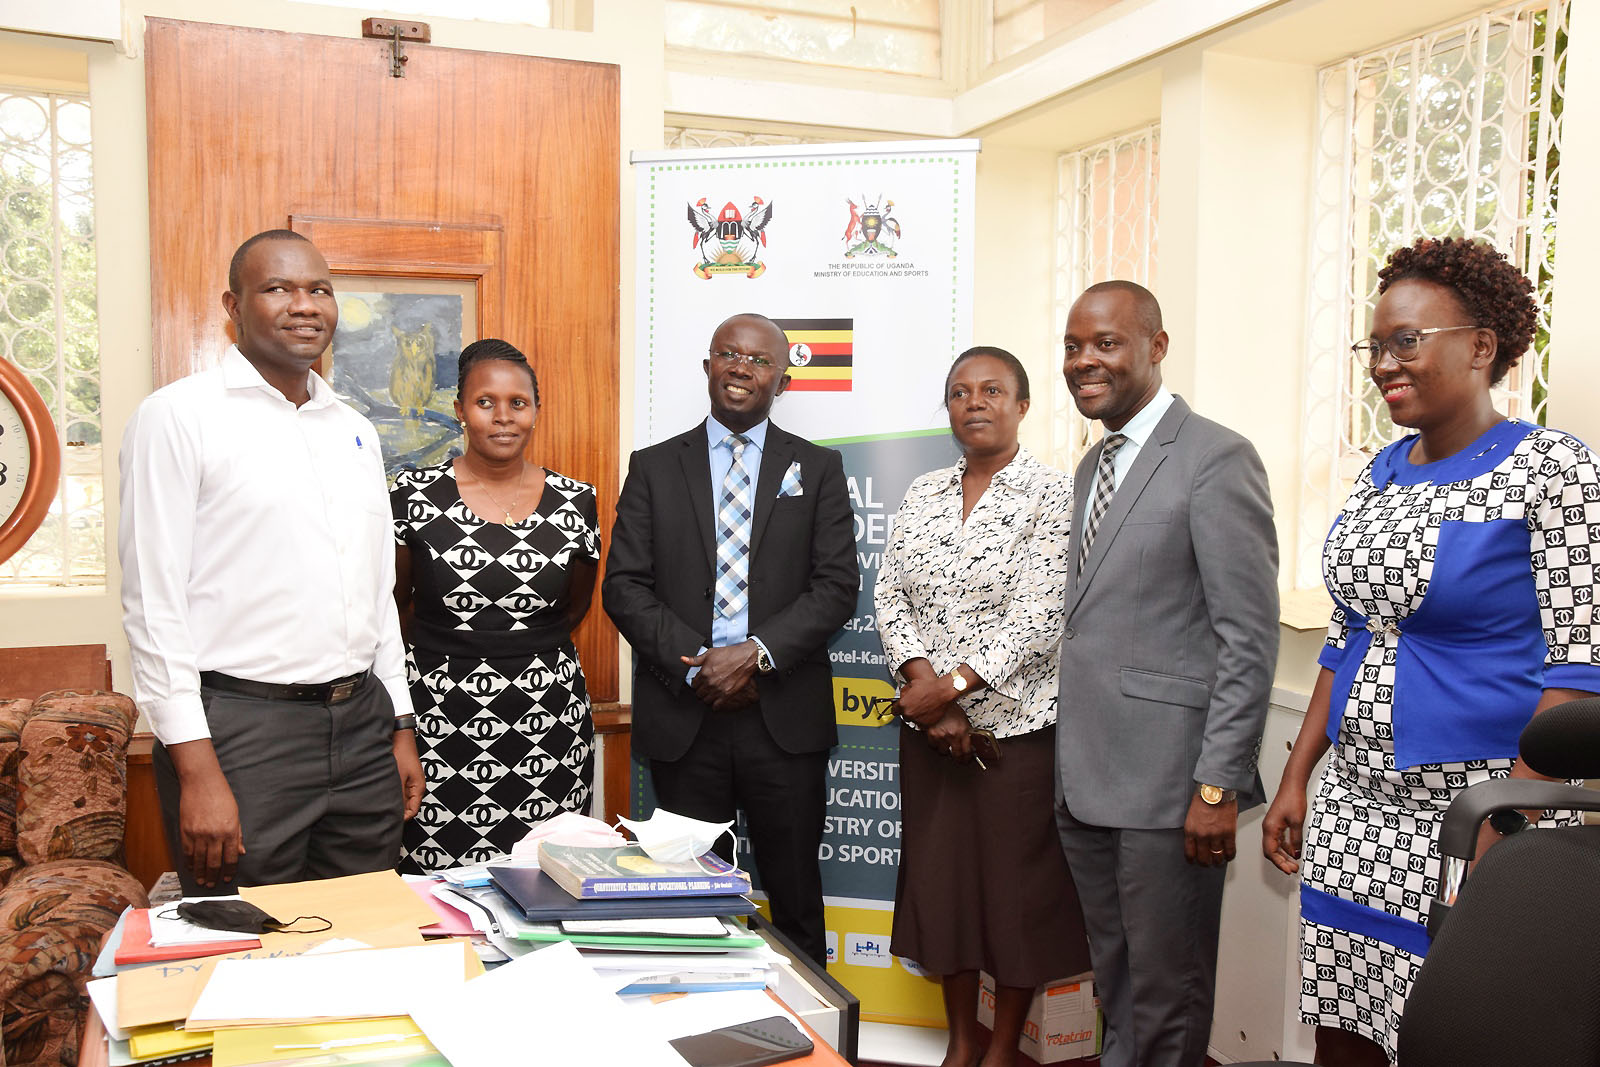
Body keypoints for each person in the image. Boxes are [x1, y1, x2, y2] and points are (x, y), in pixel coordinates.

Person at [1261, 236, 1600, 1067]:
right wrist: (1299, 774)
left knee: (1457, 1032)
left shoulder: (1550, 471)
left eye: (1405, 341)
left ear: (1482, 347)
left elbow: (1579, 667)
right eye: (1375, 345)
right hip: (1354, 810)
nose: (1383, 363)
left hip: (1473, 815)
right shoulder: (1381, 471)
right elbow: (1345, 638)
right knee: (1345, 1025)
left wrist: (1508, 816)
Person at [119, 229, 424, 896]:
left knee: (362, 935)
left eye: (318, 289)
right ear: (233, 304)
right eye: (278, 288)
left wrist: (399, 722)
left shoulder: (354, 429)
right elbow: (153, 605)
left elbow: (375, 595)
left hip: (360, 726)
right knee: (242, 950)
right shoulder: (176, 418)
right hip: (240, 734)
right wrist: (195, 769)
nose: (304, 304)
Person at [1055, 280, 1279, 1067]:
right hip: (1086, 777)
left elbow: (1246, 639)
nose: (1085, 361)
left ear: (1156, 346)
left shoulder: (1217, 456)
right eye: (1074, 346)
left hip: (1170, 786)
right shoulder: (1093, 466)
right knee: (1116, 982)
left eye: (1106, 343)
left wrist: (1216, 786)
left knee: (1168, 994)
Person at [602, 312, 858, 966]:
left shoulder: (819, 468)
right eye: (728, 354)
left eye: (758, 359)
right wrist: (700, 666)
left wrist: (755, 654)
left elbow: (836, 585)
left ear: (783, 378)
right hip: (688, 716)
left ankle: (811, 1049)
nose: (741, 367)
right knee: (691, 901)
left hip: (784, 719)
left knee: (796, 899)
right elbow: (624, 585)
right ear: (709, 366)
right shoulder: (655, 467)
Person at [876, 347, 1090, 1067]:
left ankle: (1002, 1048)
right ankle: (961, 1042)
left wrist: (953, 686)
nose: (976, 402)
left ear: (1023, 405)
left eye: (993, 389)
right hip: (931, 735)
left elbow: (1040, 615)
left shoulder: (1055, 495)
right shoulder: (922, 492)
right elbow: (889, 596)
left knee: (1015, 898)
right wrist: (926, 693)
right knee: (945, 892)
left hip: (1017, 738)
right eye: (961, 392)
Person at [391, 339, 600, 872]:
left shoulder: (578, 501)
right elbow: (392, 611)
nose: (503, 417)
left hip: (548, 723)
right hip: (438, 724)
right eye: (485, 402)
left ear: (535, 409)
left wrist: (517, 650)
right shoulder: (412, 495)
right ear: (460, 409)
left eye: (518, 403)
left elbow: (574, 609)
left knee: (548, 879)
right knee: (437, 889)